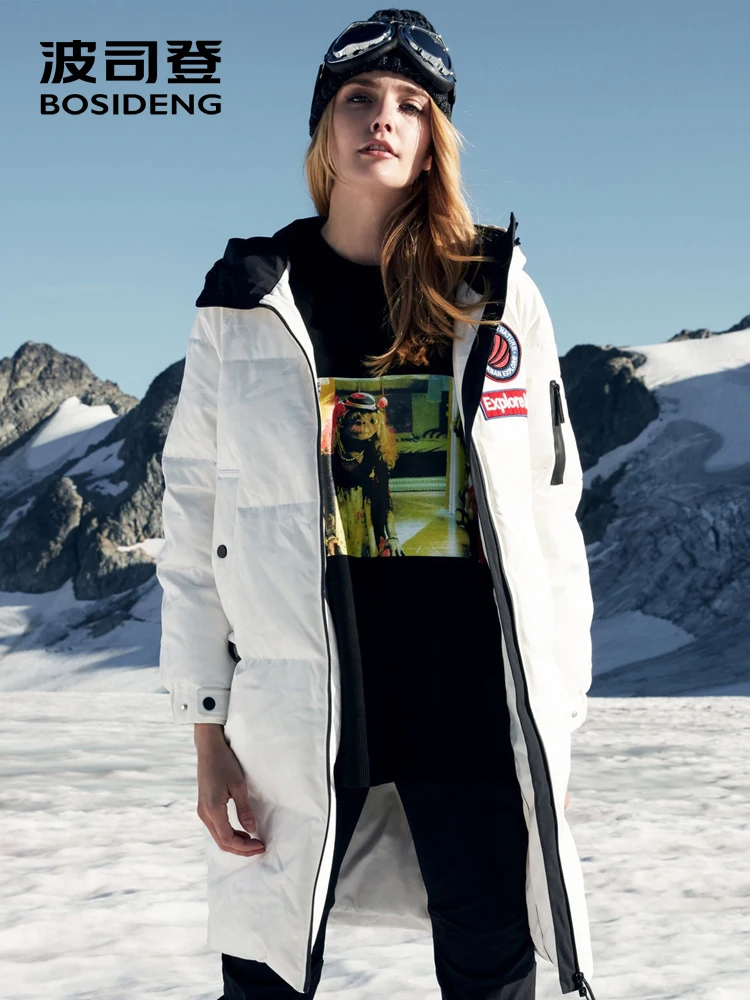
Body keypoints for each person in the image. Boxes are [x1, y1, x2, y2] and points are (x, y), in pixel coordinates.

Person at [156, 9, 598, 1000]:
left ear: (436, 137)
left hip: (467, 706)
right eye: (358, 98)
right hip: (306, 708)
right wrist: (206, 733)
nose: (383, 118)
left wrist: (553, 725)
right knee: (265, 972)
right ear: (325, 127)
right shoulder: (247, 300)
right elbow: (193, 525)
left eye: (411, 103)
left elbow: (547, 519)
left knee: (493, 972)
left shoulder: (494, 292)